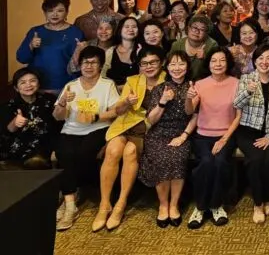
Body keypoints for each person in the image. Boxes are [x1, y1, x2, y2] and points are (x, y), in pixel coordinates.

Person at [93, 46, 166, 231]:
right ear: (139, 65)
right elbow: (118, 111)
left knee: (130, 151)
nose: (149, 66)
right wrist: (126, 102)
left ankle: (121, 203)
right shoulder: (133, 80)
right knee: (113, 150)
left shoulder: (169, 79)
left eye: (153, 62)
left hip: (149, 128)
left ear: (161, 62)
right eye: (144, 63)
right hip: (126, 125)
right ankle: (104, 204)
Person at [53, 46, 120, 231]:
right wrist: (62, 102)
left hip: (98, 128)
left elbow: (115, 111)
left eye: (93, 62)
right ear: (79, 64)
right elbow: (58, 116)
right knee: (63, 153)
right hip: (71, 129)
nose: (89, 66)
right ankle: (70, 204)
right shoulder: (70, 86)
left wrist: (96, 117)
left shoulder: (107, 85)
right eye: (85, 62)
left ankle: (72, 195)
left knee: (84, 152)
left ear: (100, 65)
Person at [139, 50, 197, 227]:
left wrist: (183, 136)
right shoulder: (159, 89)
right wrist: (163, 101)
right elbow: (151, 120)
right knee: (161, 158)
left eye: (181, 64)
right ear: (167, 67)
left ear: (187, 66)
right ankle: (163, 205)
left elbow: (192, 114)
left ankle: (174, 204)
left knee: (178, 157)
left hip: (182, 132)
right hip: (158, 133)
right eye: (173, 64)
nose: (177, 68)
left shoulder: (193, 86)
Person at [185, 48, 241, 228]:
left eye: (222, 60)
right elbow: (189, 111)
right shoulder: (200, 84)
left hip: (226, 134)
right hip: (202, 135)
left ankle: (216, 205)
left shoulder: (236, 83)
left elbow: (238, 116)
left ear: (228, 63)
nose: (218, 64)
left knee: (221, 162)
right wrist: (188, 98)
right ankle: (200, 207)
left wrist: (224, 139)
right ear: (208, 64)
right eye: (214, 61)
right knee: (207, 162)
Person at [233, 46, 269, 224]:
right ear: (254, 61)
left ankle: (266, 198)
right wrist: (248, 91)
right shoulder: (246, 78)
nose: (265, 62)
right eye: (260, 58)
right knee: (256, 160)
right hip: (248, 131)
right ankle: (258, 203)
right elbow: (236, 104)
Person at [17, 0, 83, 93]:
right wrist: (31, 45)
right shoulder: (35, 31)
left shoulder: (75, 32)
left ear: (66, 12)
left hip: (65, 86)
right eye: (50, 11)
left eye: (60, 11)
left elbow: (80, 65)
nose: (55, 14)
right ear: (45, 13)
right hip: (37, 86)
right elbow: (21, 58)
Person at [0, 67, 58, 169]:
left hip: (45, 146)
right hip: (18, 148)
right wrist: (15, 123)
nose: (28, 85)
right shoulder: (8, 106)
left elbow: (58, 125)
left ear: (38, 84)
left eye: (32, 81)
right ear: (16, 88)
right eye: (23, 82)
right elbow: (7, 131)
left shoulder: (49, 100)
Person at [169, 15, 219, 80]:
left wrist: (204, 59)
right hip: (179, 80)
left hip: (203, 82)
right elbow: (169, 66)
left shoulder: (212, 45)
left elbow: (216, 69)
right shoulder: (177, 45)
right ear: (188, 28)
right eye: (194, 27)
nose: (197, 31)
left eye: (202, 29)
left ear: (206, 33)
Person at [105, 16, 140, 89]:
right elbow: (103, 76)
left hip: (138, 92)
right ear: (120, 30)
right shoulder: (110, 52)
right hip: (115, 93)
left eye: (134, 27)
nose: (130, 29)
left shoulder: (142, 49)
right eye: (127, 27)